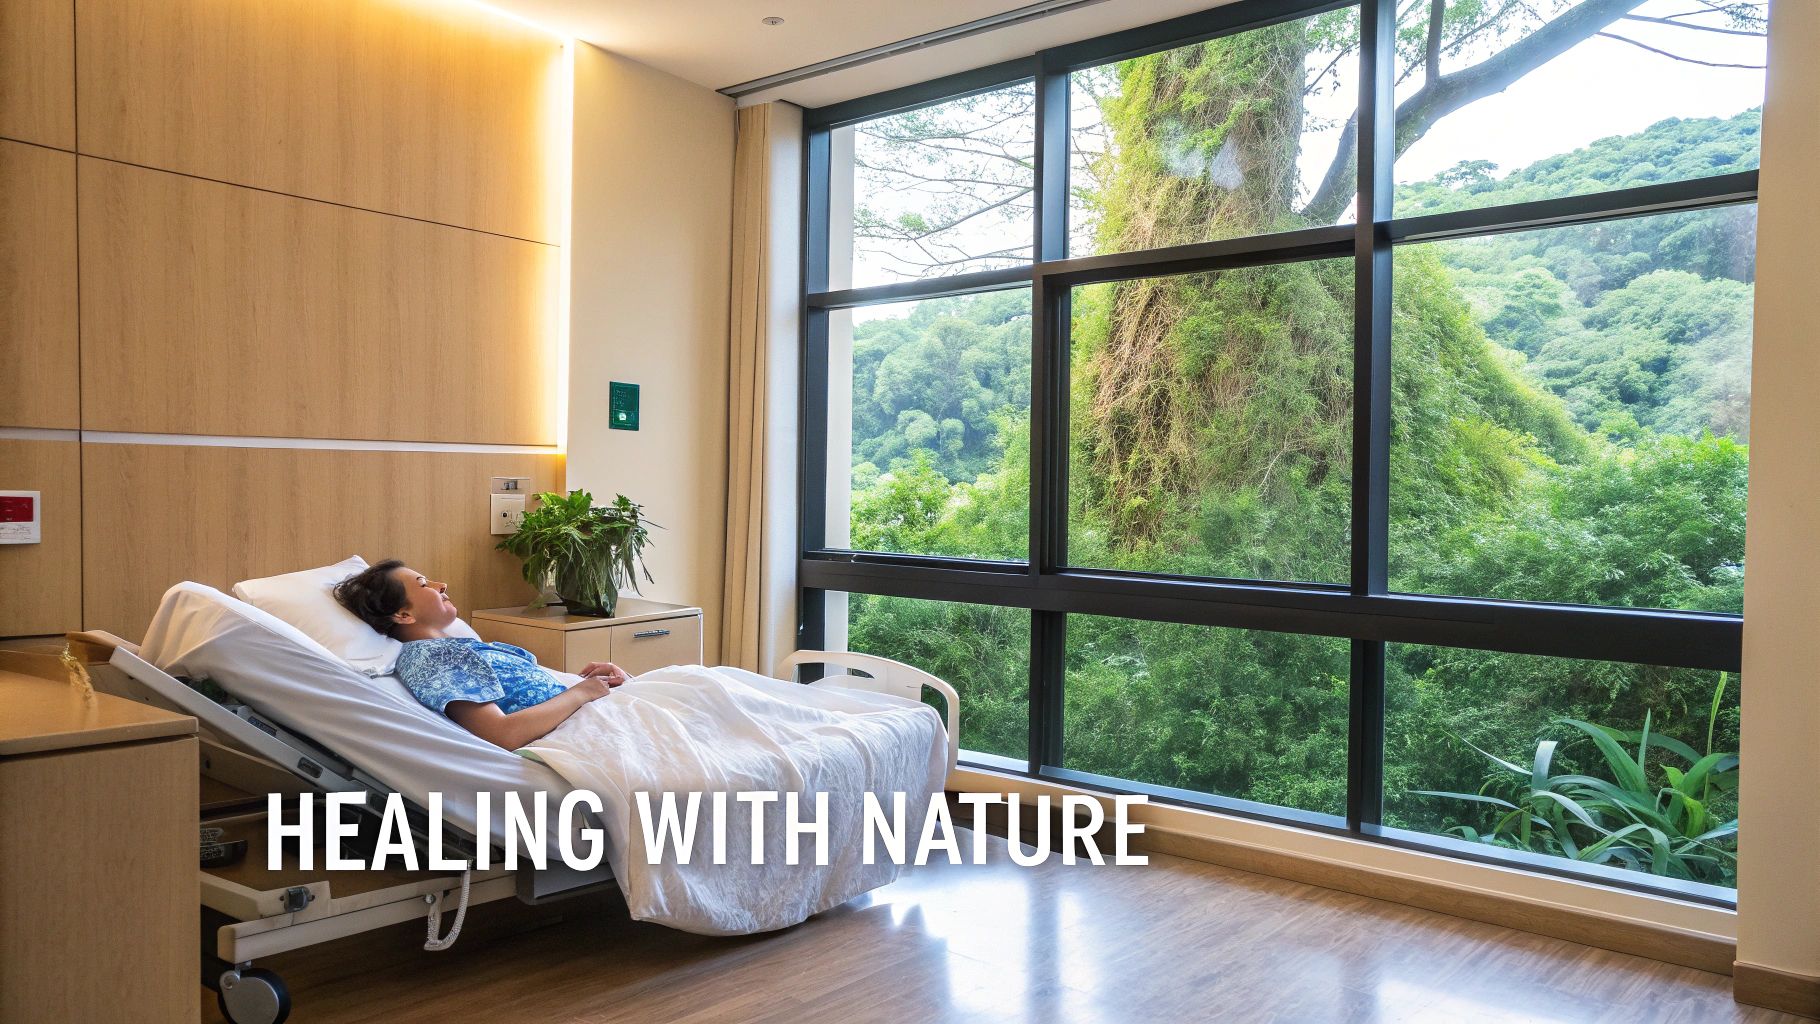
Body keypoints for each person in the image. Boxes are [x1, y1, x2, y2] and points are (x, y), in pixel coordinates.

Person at [333, 559, 626, 750]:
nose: (441, 585)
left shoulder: (458, 647)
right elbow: (502, 733)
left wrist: (595, 684)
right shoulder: (430, 659)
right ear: (403, 614)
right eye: (424, 584)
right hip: (576, 736)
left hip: (589, 719)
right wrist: (582, 693)